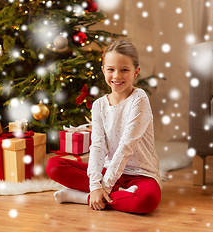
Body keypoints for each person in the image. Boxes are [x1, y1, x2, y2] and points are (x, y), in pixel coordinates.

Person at [46, 39, 162, 214]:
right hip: (108, 170)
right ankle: (114, 195)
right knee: (54, 165)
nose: (117, 76)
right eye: (111, 70)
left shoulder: (139, 98)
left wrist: (104, 188)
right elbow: (98, 146)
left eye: (124, 70)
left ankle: (82, 197)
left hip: (140, 174)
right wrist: (95, 184)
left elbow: (125, 147)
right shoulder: (99, 105)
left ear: (136, 72)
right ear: (103, 70)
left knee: (147, 200)